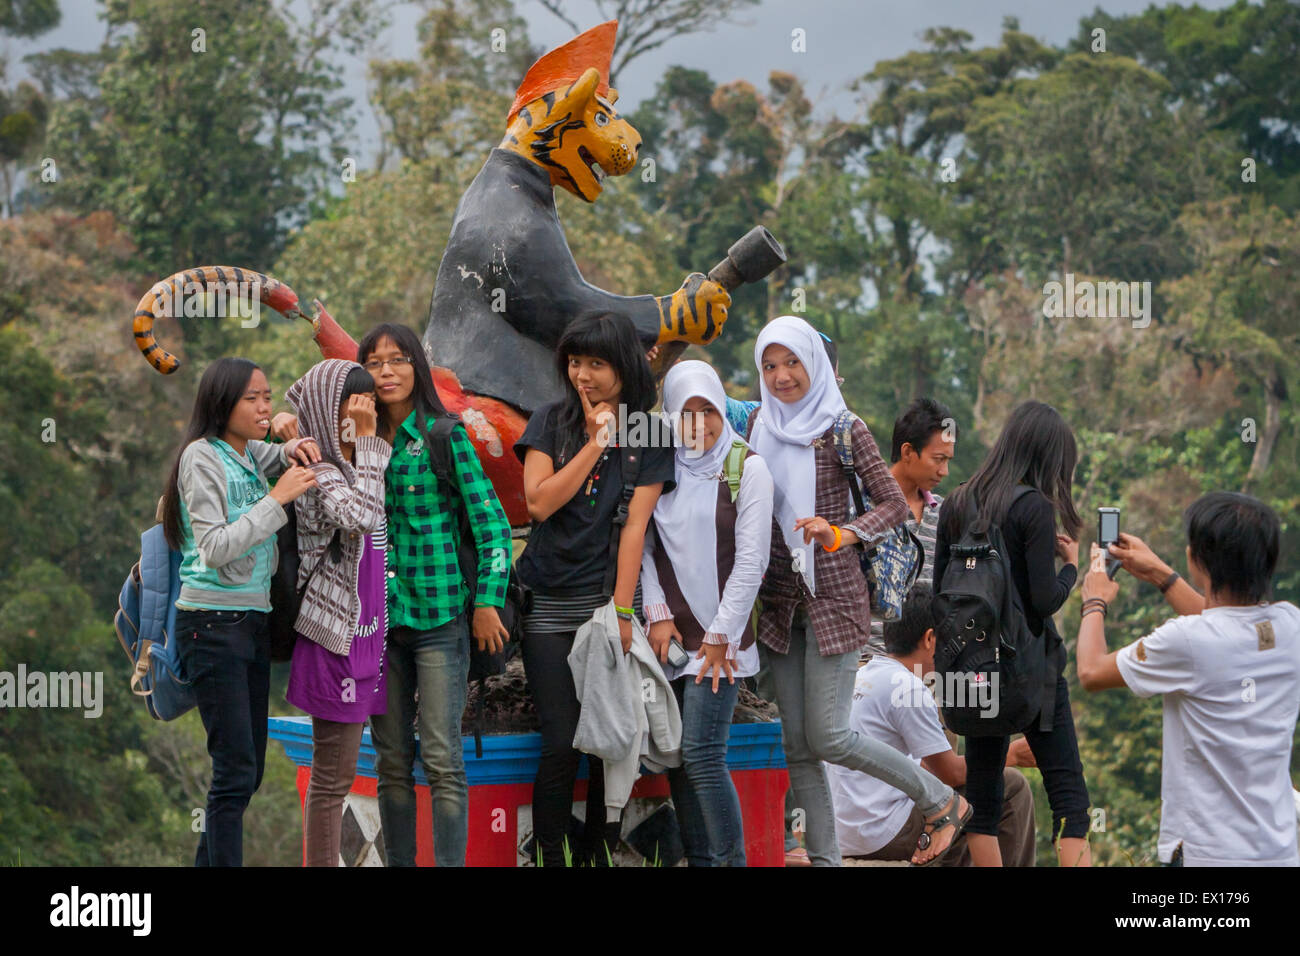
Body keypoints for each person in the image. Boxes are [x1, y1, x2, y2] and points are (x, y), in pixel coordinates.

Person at [747, 314, 967, 866]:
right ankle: (827, 860)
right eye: (770, 365)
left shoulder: (845, 426)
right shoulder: (758, 428)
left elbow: (892, 504)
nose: (781, 376)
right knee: (797, 747)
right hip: (778, 604)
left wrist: (842, 532)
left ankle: (939, 798)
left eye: (792, 362)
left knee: (830, 736)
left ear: (814, 365)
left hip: (836, 602)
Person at [514, 312, 676, 866]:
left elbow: (636, 527)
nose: (582, 374)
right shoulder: (549, 421)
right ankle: (551, 858)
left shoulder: (651, 434)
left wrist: (624, 611)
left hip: (602, 609)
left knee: (611, 739)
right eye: (575, 362)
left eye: (596, 364)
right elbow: (538, 503)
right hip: (544, 608)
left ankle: (600, 855)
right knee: (560, 741)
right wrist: (593, 444)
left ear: (623, 367)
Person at [359, 323, 513, 867]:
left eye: (398, 359)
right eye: (375, 362)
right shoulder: (356, 443)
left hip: (441, 618)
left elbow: (493, 526)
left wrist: (487, 602)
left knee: (444, 760)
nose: (386, 371)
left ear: (416, 368)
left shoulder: (445, 437)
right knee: (391, 761)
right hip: (376, 626)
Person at [1077, 493, 1300, 867]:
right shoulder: (1289, 626)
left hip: (1207, 853)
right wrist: (1159, 574)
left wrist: (1094, 600)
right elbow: (1226, 629)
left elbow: (1091, 671)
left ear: (1197, 559)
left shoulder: (1186, 640)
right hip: (1278, 850)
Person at [160, 357, 320, 866]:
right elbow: (214, 547)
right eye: (251, 398)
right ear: (221, 402)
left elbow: (279, 452)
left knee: (246, 773)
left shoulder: (246, 453)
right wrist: (278, 500)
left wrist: (293, 445)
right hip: (212, 624)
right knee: (232, 772)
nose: (263, 407)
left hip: (249, 623)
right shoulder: (201, 458)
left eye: (267, 397)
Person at [934, 400, 1091, 867]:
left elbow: (942, 588)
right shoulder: (1033, 507)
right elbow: (1044, 602)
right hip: (1029, 672)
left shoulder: (957, 502)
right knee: (1070, 800)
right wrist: (1072, 568)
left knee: (983, 799)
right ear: (1046, 458)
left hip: (971, 668)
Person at [640, 360, 774, 866]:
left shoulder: (747, 467)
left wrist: (721, 636)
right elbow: (644, 545)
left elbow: (751, 561)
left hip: (721, 640)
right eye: (687, 414)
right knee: (679, 758)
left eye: (709, 411)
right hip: (671, 637)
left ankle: (729, 860)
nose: (699, 425)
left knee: (702, 753)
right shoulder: (662, 466)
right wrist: (656, 612)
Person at [829, 584, 1037, 866]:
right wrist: (1012, 755)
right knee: (1011, 786)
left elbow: (926, 768)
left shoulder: (862, 675)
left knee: (955, 800)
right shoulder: (908, 687)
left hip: (842, 832)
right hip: (883, 833)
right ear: (930, 639)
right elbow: (949, 773)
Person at [284, 359, 391, 867]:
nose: (364, 416)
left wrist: (369, 446)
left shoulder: (363, 462)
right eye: (355, 407)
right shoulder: (318, 471)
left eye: (370, 405)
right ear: (330, 413)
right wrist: (367, 443)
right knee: (333, 779)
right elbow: (360, 516)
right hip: (333, 641)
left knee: (346, 773)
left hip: (368, 635)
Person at [864, 397, 957, 658]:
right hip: (866, 662)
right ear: (907, 452)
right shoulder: (863, 506)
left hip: (923, 670)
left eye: (948, 460)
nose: (944, 471)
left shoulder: (944, 514)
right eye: (938, 459)